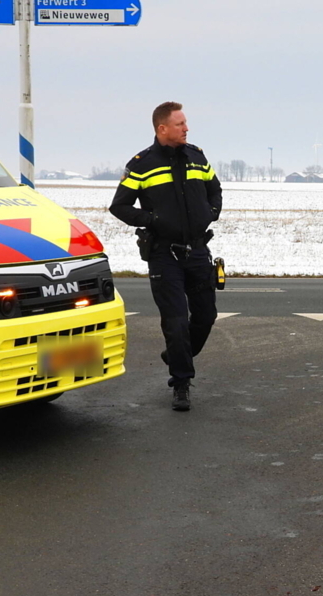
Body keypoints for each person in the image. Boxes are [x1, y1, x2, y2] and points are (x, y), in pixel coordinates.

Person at [110, 101, 222, 411]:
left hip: (198, 251)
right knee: (175, 323)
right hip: (164, 255)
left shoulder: (197, 157)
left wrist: (210, 213)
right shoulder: (142, 164)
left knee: (206, 316)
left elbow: (215, 189)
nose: (186, 128)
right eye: (180, 124)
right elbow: (119, 207)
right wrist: (153, 220)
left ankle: (176, 354)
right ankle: (181, 383)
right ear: (162, 128)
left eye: (186, 123)